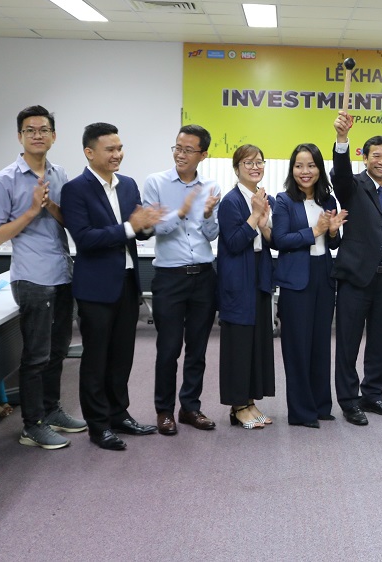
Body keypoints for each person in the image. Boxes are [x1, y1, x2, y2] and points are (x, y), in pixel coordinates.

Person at [0, 105, 84, 450]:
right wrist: (30, 211)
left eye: (43, 129)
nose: (37, 135)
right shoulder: (3, 180)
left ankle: (52, 410)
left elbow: (69, 222)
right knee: (36, 355)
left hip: (62, 274)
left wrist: (53, 207)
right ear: (19, 137)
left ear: (54, 136)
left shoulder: (60, 175)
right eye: (30, 130)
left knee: (58, 352)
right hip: (31, 277)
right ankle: (32, 425)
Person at [60, 122, 162, 450]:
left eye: (119, 148)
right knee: (96, 360)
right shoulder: (76, 190)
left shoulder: (129, 185)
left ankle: (119, 414)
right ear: (89, 153)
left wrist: (148, 226)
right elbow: (86, 239)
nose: (118, 154)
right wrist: (131, 227)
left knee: (122, 356)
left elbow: (137, 231)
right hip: (95, 289)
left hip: (127, 284)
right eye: (110, 149)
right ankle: (98, 425)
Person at [331, 110, 382, 425]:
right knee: (348, 342)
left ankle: (373, 394)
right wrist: (341, 139)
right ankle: (349, 401)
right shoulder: (352, 186)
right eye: (376, 156)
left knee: (380, 342)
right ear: (365, 158)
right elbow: (338, 172)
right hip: (354, 278)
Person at [142, 125, 220, 436]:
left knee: (198, 348)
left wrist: (207, 215)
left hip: (203, 275)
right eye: (177, 147)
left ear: (203, 154)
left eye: (188, 150)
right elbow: (154, 228)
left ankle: (190, 406)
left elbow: (213, 235)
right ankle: (164, 410)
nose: (180, 154)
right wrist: (183, 211)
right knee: (169, 348)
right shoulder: (156, 183)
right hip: (169, 277)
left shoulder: (211, 185)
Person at [273, 144, 347, 428]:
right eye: (299, 166)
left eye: (311, 165)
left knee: (319, 345)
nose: (305, 172)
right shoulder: (283, 201)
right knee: (297, 347)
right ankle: (301, 412)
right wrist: (314, 231)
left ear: (319, 169)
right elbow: (280, 240)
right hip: (295, 280)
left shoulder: (329, 201)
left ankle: (320, 405)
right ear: (292, 170)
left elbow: (334, 243)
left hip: (323, 276)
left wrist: (331, 232)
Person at [216, 145, 275, 430]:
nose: (255, 167)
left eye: (259, 162)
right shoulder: (230, 201)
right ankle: (237, 405)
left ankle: (251, 401)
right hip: (238, 279)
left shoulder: (265, 197)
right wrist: (254, 217)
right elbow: (235, 242)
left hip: (259, 277)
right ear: (237, 167)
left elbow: (271, 240)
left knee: (257, 342)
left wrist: (264, 223)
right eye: (248, 162)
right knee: (238, 343)